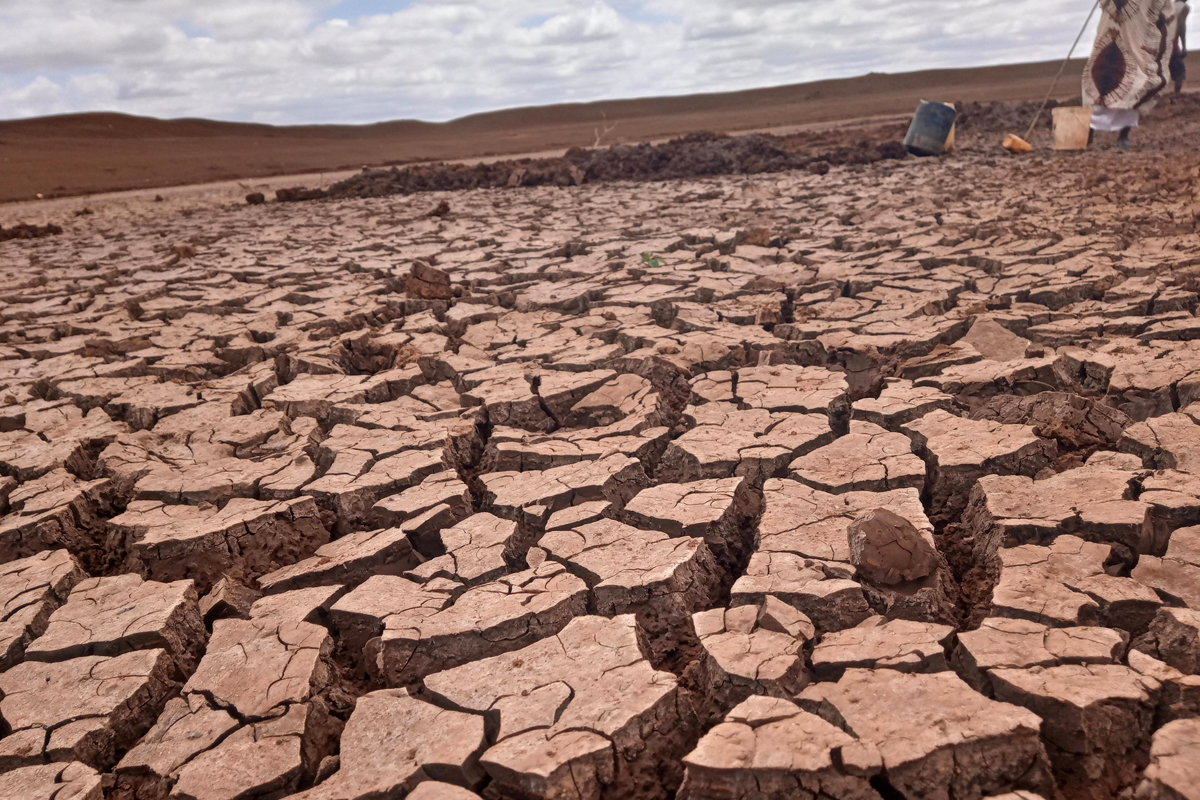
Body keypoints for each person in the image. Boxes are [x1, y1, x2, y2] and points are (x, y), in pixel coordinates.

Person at [1083, 0, 1181, 148]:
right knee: (1097, 85)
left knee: (1138, 85)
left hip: (1138, 43)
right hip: (1109, 35)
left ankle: (1123, 135)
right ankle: (1087, 134)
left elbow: (1165, 14)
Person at [1172, 0, 1189, 95]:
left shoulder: (1171, 6)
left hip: (1159, 44)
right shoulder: (1184, 7)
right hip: (1172, 44)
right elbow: (1181, 26)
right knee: (1180, 74)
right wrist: (1184, 46)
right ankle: (1176, 96)